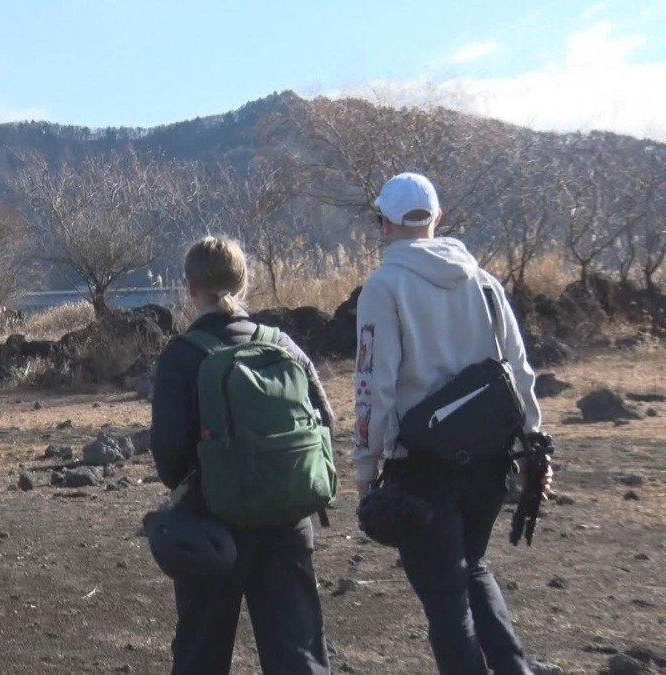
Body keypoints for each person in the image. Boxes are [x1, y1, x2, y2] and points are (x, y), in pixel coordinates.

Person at [353, 172, 549, 675]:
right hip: (490, 462)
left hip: (420, 466)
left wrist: (365, 466)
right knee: (472, 568)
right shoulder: (484, 283)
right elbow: (519, 371)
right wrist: (533, 446)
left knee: (444, 596)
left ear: (384, 224)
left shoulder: (384, 286)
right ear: (437, 219)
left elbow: (375, 385)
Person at [151, 235, 333, 675]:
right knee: (298, 652)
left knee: (202, 653)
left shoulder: (181, 356)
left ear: (190, 288)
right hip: (288, 517)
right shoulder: (283, 345)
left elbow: (169, 455)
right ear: (244, 281)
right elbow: (324, 419)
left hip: (212, 525)